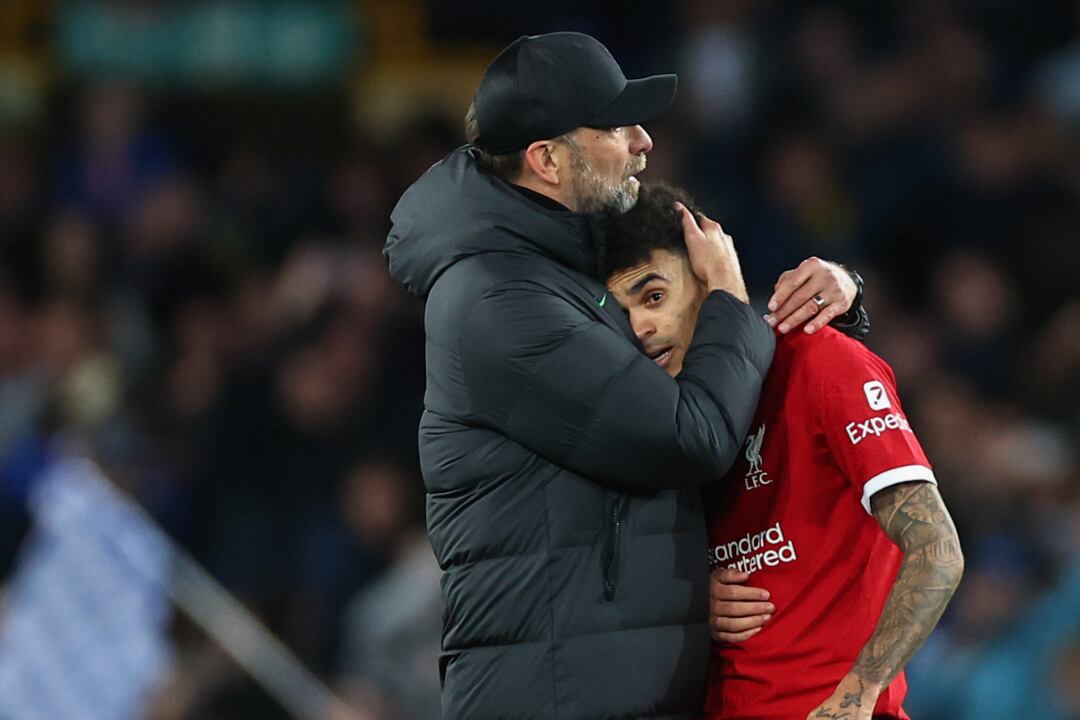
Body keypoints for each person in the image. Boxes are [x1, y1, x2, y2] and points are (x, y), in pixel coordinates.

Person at [383, 33, 864, 719]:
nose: (643, 140)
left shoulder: (565, 273)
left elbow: (621, 481)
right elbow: (690, 434)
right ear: (546, 159)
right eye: (614, 126)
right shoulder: (498, 301)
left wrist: (839, 290)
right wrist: (729, 295)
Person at [600, 183, 964, 720]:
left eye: (654, 297)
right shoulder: (658, 427)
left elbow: (937, 550)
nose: (641, 328)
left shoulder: (819, 363)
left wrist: (858, 693)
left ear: (709, 279)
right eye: (623, 313)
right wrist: (687, 601)